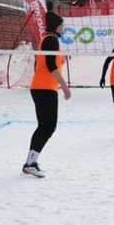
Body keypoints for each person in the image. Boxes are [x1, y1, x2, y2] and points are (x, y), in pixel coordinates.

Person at [23, 12, 72, 177]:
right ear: (57, 26)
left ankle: (31, 162)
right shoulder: (51, 40)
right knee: (48, 126)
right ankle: (30, 163)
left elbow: (43, 64)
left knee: (45, 126)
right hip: (44, 88)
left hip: (42, 87)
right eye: (62, 25)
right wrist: (65, 87)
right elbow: (51, 66)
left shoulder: (48, 39)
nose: (63, 28)